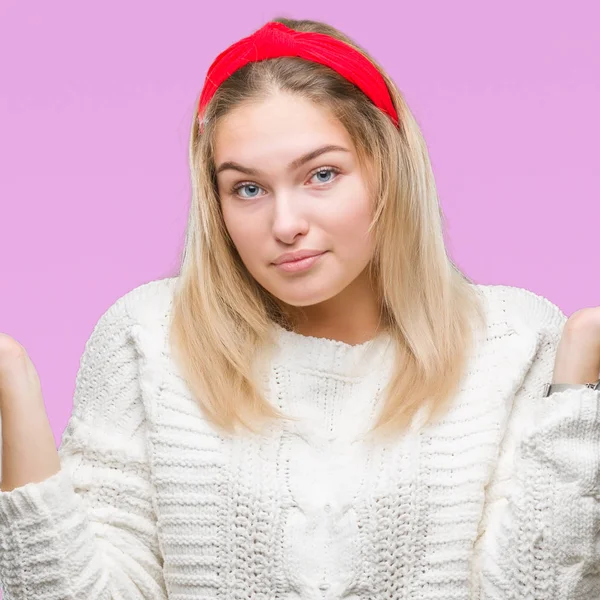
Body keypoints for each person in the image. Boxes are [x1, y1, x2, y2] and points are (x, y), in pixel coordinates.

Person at [0, 16, 599, 600]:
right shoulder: (149, 337)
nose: (285, 225)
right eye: (248, 188)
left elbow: (537, 588)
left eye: (321, 174)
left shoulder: (517, 342)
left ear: (388, 170)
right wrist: (14, 383)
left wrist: (576, 400)